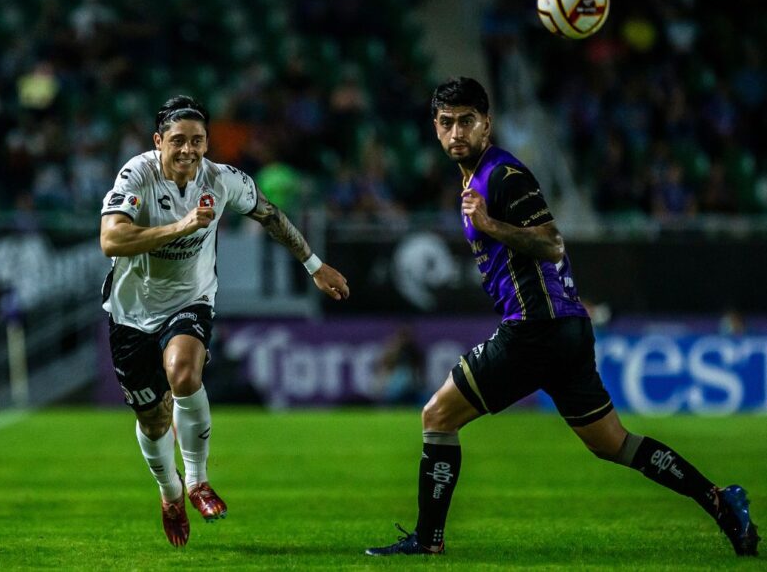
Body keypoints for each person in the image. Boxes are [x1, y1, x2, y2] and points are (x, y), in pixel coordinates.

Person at [365, 77, 759, 557]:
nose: (455, 133)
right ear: (434, 127)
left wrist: (490, 225)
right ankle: (721, 502)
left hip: (536, 328)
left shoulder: (504, 176)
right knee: (613, 444)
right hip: (565, 330)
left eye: (466, 121)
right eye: (446, 123)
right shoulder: (472, 180)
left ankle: (428, 542)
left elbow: (552, 243)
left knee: (437, 416)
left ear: (486, 124)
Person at [99, 95, 349, 548]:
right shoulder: (137, 174)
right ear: (159, 142)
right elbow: (111, 239)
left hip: (190, 300)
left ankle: (197, 481)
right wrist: (183, 226)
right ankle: (170, 492)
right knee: (153, 420)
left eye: (197, 140)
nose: (189, 150)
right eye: (178, 141)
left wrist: (314, 265)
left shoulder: (222, 179)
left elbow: (269, 214)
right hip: (131, 312)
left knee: (184, 372)